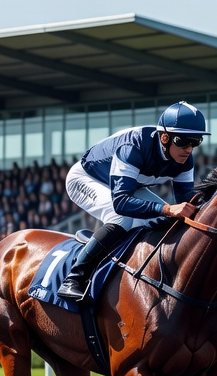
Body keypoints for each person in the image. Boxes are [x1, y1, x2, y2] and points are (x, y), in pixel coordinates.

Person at [56, 101, 207, 301]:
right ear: (164, 137)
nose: (189, 149)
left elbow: (187, 203)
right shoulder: (133, 147)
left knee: (161, 222)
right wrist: (168, 208)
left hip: (128, 186)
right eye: (183, 141)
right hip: (85, 178)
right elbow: (121, 203)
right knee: (122, 219)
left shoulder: (184, 160)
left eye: (195, 142)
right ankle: (74, 277)